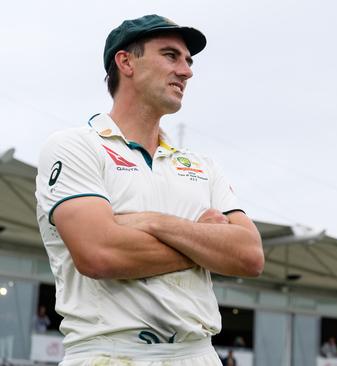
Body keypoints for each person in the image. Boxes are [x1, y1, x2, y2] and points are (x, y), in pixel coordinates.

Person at [35, 14, 264, 366]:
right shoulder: (75, 146)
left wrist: (154, 223)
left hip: (199, 354)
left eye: (188, 61)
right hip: (107, 354)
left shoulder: (202, 165)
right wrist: (205, 244)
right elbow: (100, 254)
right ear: (125, 61)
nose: (187, 71)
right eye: (171, 55)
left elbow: (249, 256)